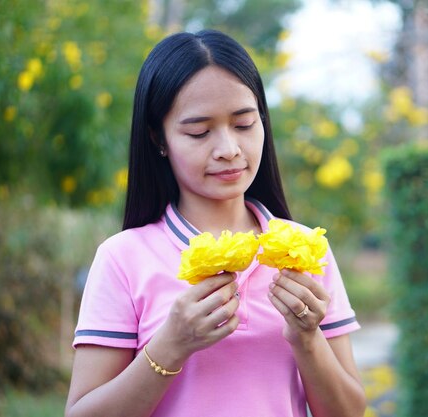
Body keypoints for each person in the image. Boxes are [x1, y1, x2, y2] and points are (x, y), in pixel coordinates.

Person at [65, 29, 366, 417]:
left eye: (243, 124)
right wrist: (172, 343)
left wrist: (307, 338)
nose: (229, 150)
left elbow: (348, 412)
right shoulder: (123, 258)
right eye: (199, 132)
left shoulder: (306, 250)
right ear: (159, 139)